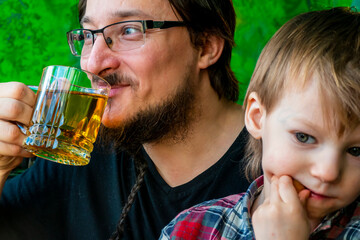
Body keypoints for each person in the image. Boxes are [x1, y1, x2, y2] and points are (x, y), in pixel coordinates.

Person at [0, 0, 250, 239]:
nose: (93, 64)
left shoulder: (277, 169)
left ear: (206, 45)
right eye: (88, 36)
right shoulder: (78, 147)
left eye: (128, 30)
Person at [160, 6, 360, 240]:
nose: (328, 172)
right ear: (257, 117)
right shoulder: (192, 228)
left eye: (355, 150)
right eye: (304, 137)